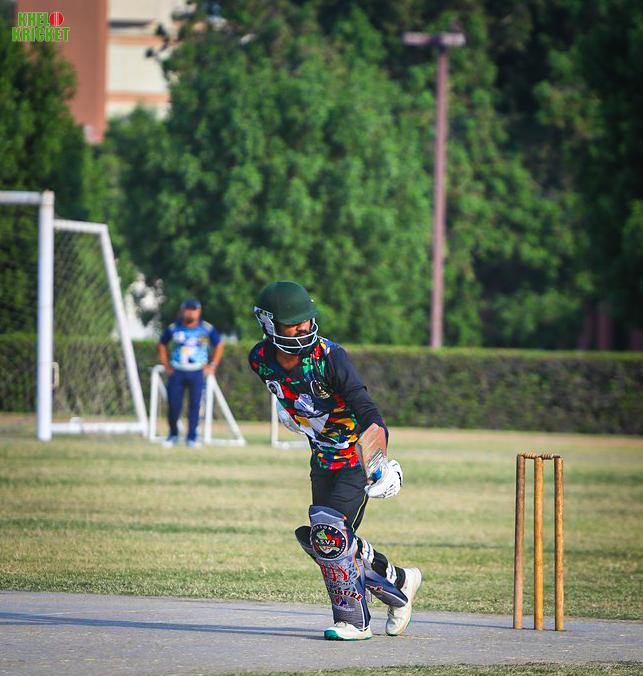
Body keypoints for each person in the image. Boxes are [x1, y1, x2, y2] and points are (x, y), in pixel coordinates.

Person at [248, 280, 422, 641]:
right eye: (292, 323)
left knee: (329, 535)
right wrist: (293, 414)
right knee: (331, 543)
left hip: (354, 461)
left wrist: (380, 462)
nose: (303, 327)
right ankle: (400, 581)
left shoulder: (330, 357)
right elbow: (292, 393)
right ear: (268, 323)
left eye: (306, 319)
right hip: (322, 460)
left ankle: (354, 622)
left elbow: (367, 410)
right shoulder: (260, 359)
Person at [158, 298, 224, 448]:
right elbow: (162, 343)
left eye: (193, 310)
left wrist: (213, 365)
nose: (190, 313)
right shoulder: (174, 328)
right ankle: (173, 434)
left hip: (197, 372)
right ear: (183, 311)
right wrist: (166, 365)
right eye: (188, 310)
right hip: (177, 371)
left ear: (199, 312)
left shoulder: (206, 329)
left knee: (195, 405)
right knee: (174, 405)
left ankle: (192, 437)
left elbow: (219, 344)